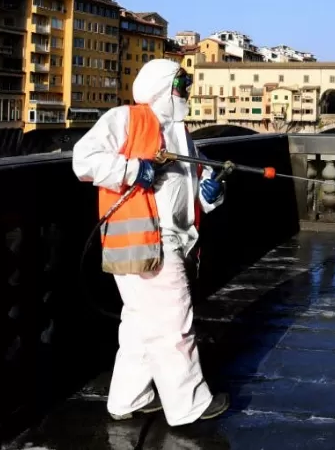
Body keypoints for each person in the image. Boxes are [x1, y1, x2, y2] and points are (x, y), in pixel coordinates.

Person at [72, 58, 230, 426]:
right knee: (174, 322)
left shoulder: (182, 134)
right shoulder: (126, 119)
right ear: (162, 86)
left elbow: (194, 189)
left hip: (168, 239)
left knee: (142, 324)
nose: (187, 91)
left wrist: (212, 192)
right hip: (148, 239)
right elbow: (84, 160)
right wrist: (133, 170)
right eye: (182, 84)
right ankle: (188, 404)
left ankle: (128, 398)